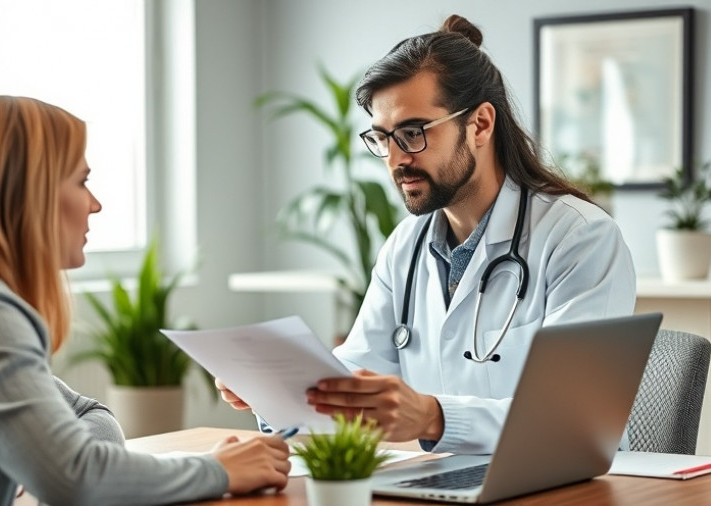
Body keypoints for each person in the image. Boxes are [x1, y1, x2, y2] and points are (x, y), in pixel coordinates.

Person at [0, 89, 290, 505]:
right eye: (81, 181)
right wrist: (221, 469)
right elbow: (76, 479)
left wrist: (42, 463)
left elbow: (84, 421)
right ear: (25, 194)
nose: (95, 204)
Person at [217, 14, 636, 455]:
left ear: (480, 125)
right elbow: (354, 380)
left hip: (568, 486)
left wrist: (434, 417)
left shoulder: (580, 238)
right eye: (382, 138)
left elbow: (575, 420)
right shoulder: (406, 245)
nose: (396, 158)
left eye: (413, 133)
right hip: (445, 484)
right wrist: (276, 392)